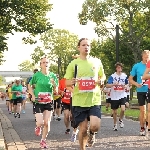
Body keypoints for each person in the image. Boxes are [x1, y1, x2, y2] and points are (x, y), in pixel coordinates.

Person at [64, 38, 105, 150]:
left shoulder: (97, 62)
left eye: (88, 45)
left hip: (94, 99)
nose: (86, 47)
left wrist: (101, 81)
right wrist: (70, 82)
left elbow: (103, 76)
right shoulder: (73, 64)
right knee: (82, 129)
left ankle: (92, 133)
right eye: (83, 45)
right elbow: (66, 81)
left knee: (95, 126)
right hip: (79, 101)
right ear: (79, 47)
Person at [28, 57, 58, 149]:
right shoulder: (37, 75)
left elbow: (56, 90)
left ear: (49, 64)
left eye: (47, 62)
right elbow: (29, 85)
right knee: (40, 122)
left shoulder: (53, 76)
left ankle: (43, 140)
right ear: (41, 65)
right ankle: (38, 127)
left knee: (47, 122)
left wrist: (54, 85)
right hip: (38, 101)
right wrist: (32, 95)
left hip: (48, 101)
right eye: (43, 62)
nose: (45, 64)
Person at [129, 50, 149, 136]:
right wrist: (136, 84)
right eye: (146, 57)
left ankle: (148, 125)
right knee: (143, 110)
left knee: (149, 111)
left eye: (148, 57)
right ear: (142, 57)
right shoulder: (137, 66)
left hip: (149, 89)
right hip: (141, 91)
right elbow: (130, 79)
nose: (147, 59)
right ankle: (142, 127)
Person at [106, 62, 128, 131]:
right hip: (114, 95)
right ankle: (115, 124)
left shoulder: (124, 76)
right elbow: (107, 85)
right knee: (115, 112)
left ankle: (120, 119)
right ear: (116, 68)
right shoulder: (112, 76)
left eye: (121, 67)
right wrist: (113, 84)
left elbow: (128, 84)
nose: (119, 68)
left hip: (122, 94)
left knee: (123, 109)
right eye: (118, 67)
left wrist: (125, 86)